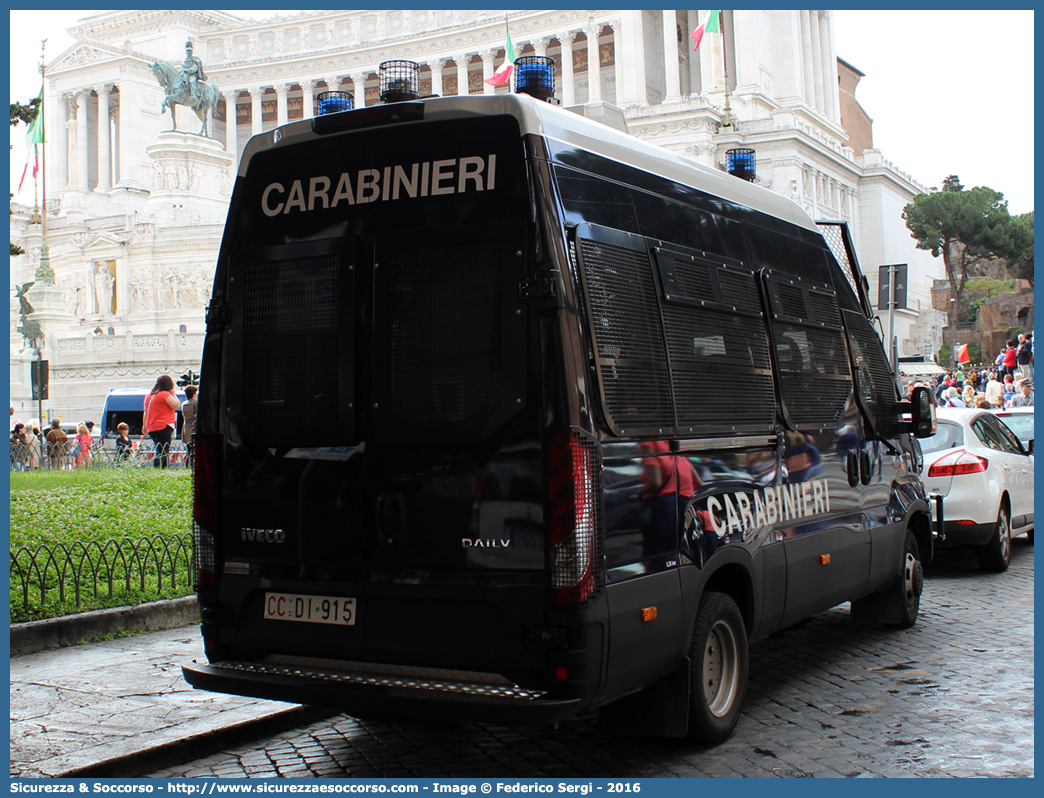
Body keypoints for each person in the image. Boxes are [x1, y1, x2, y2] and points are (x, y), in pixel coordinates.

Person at [143, 375, 180, 468]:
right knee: (164, 451)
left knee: (158, 449)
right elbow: (176, 405)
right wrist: (174, 395)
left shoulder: (149, 396)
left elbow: (145, 412)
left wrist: (144, 426)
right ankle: (162, 468)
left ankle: (158, 467)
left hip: (152, 427)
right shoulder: (165, 395)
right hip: (164, 426)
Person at [181, 385, 198, 467]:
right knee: (194, 451)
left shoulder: (184, 404)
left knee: (189, 450)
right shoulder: (196, 403)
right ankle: (191, 466)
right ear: (194, 394)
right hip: (193, 428)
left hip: (186, 428)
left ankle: (188, 465)